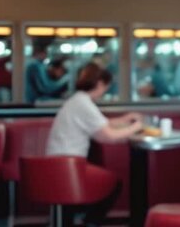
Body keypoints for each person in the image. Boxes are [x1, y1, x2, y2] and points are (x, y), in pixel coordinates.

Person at [46, 62, 143, 226]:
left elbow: (101, 124)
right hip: (68, 167)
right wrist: (137, 127)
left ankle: (83, 219)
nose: (105, 91)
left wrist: (125, 120)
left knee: (108, 181)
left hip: (59, 164)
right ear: (99, 84)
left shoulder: (78, 101)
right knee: (113, 184)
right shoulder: (84, 104)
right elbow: (108, 136)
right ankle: (89, 221)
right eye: (106, 86)